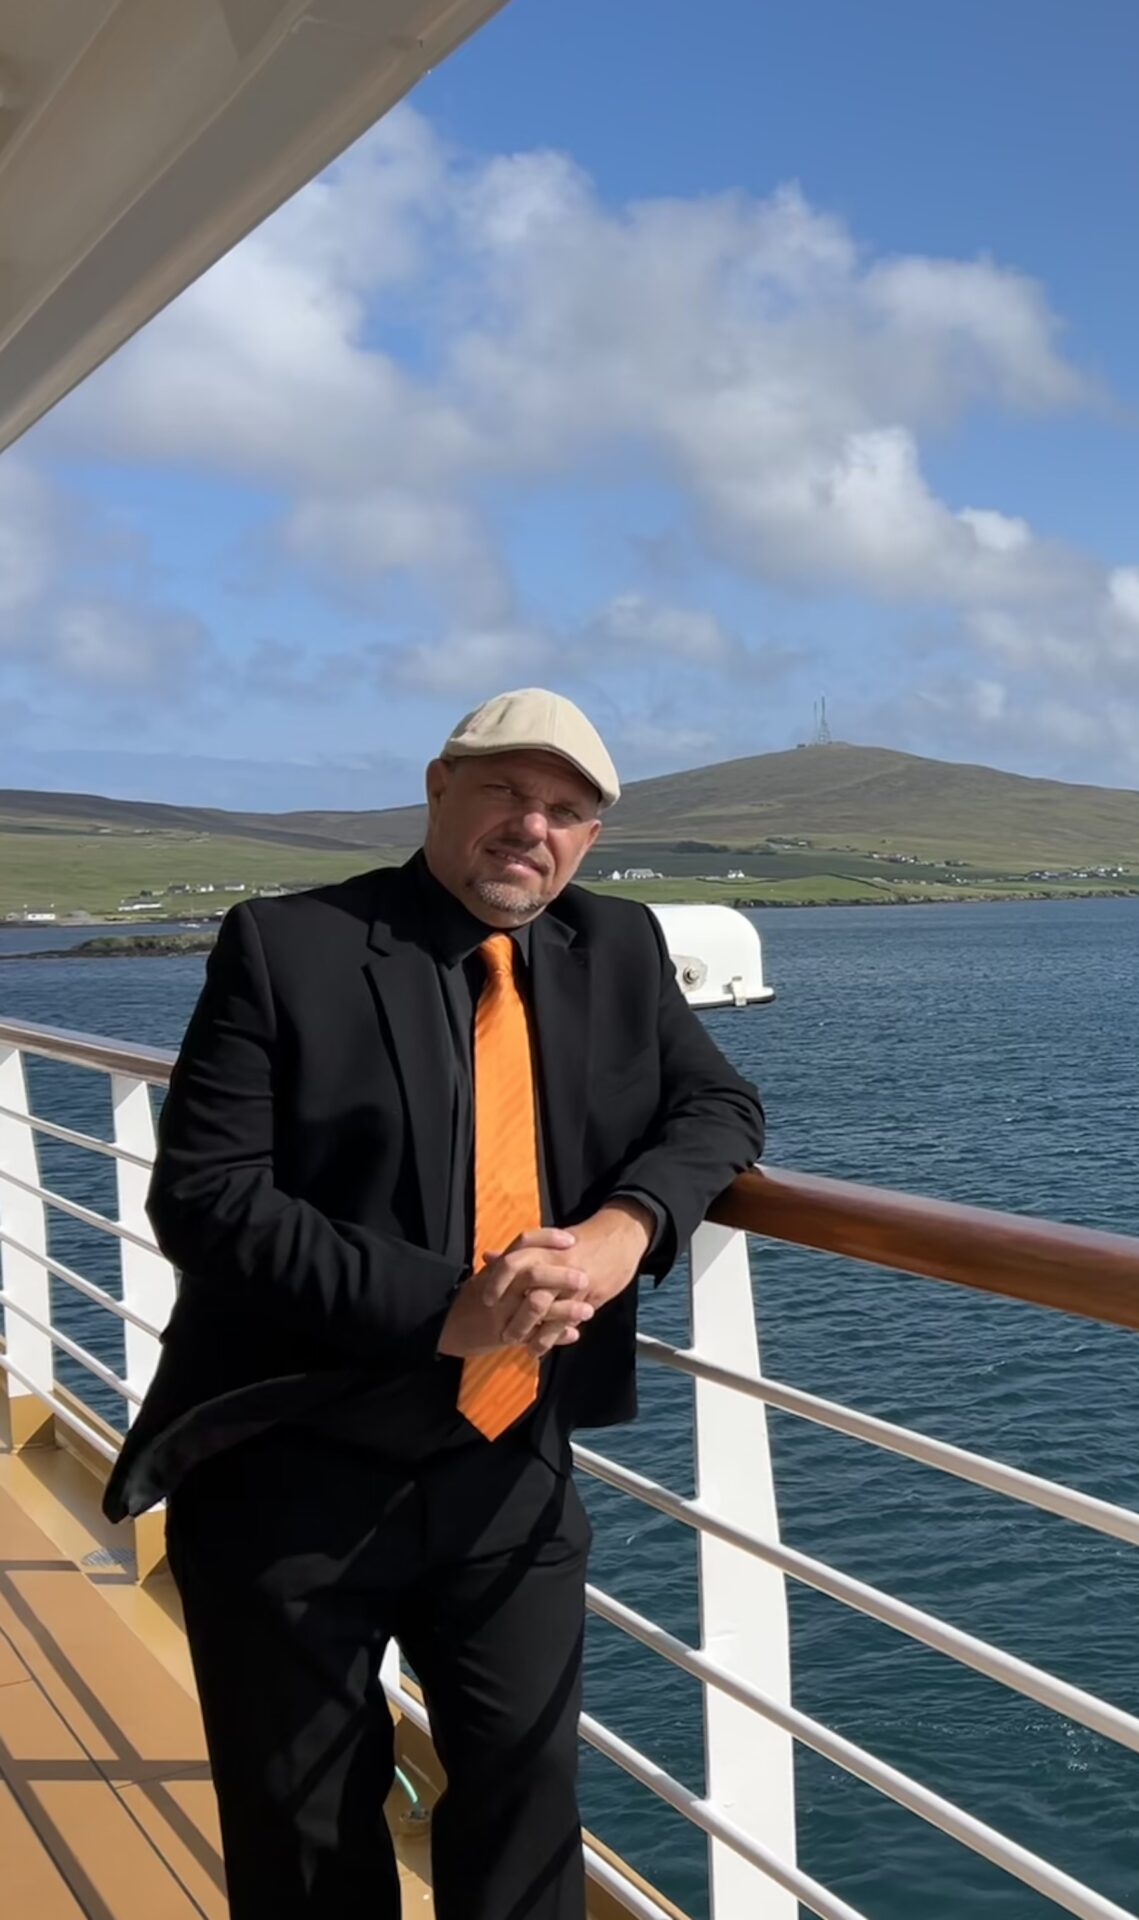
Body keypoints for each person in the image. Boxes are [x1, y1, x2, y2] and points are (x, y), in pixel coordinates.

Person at [104, 687, 766, 1920]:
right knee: (308, 1837)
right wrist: (447, 1309)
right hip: (289, 1460)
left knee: (527, 1813)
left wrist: (625, 1230)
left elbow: (719, 1108)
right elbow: (206, 1199)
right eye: (506, 791)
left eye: (565, 810)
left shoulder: (616, 948)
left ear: (591, 839)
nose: (532, 827)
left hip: (508, 1468)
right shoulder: (290, 946)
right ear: (438, 788)